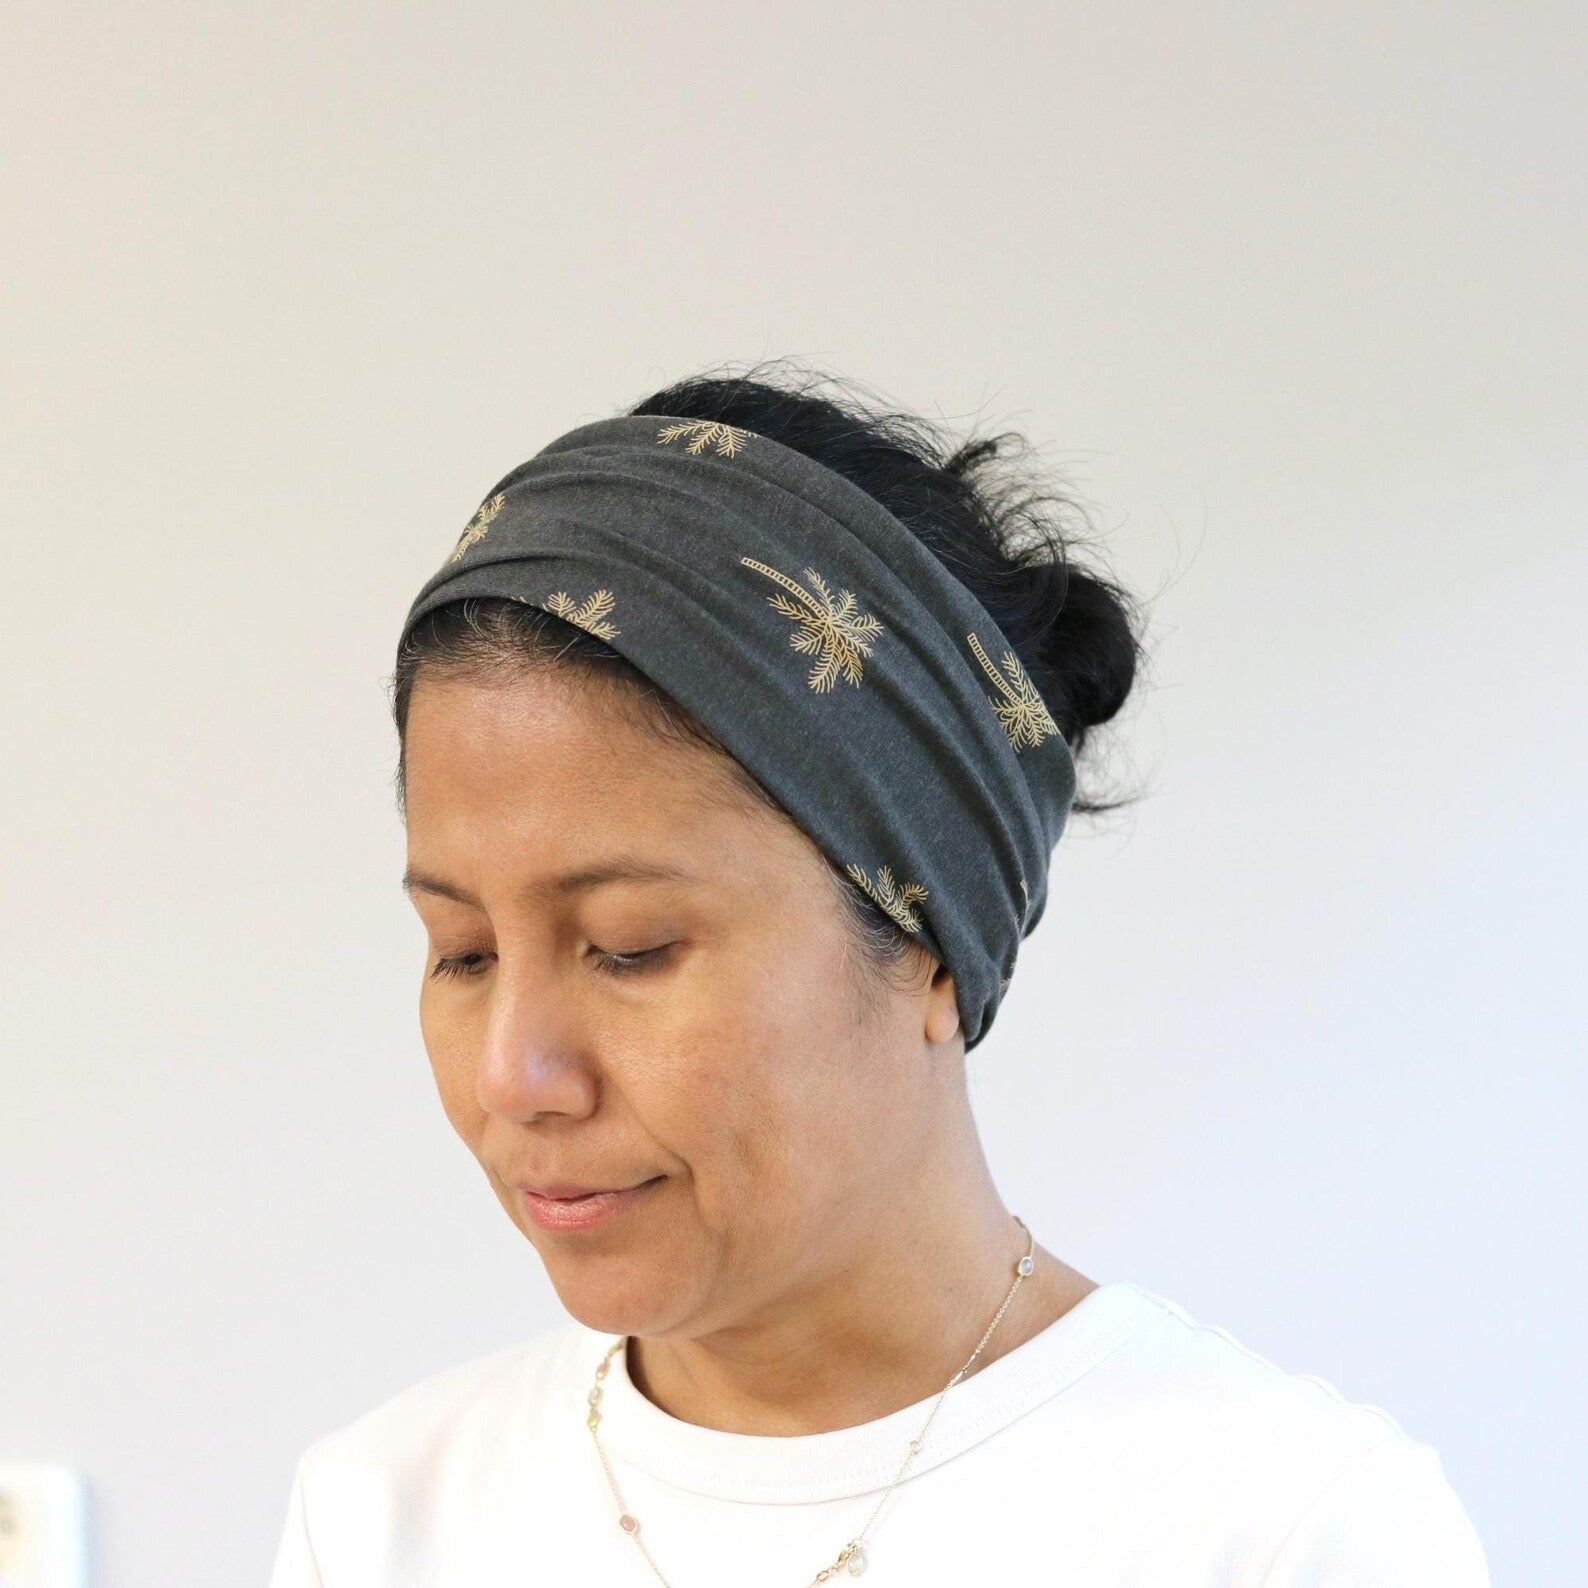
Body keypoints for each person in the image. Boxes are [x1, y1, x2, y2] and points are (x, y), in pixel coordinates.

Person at [267, 361, 1490, 1585]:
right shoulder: (382, 1517)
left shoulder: (1280, 1529)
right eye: (463, 953)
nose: (514, 1076)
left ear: (929, 947)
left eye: (630, 947)